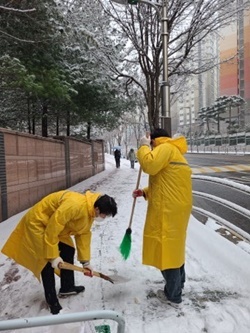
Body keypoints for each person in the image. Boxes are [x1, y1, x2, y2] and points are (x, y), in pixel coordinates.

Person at [1, 190, 117, 315]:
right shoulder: (74, 205)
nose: (104, 218)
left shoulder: (89, 211)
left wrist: (85, 262)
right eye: (105, 215)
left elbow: (83, 234)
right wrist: (53, 256)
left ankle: (67, 287)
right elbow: (52, 228)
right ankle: (52, 301)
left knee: (68, 249)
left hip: (55, 227)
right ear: (98, 209)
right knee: (46, 262)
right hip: (38, 223)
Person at [133, 128, 192, 307]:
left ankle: (173, 295)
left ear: (154, 139)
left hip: (168, 210)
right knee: (174, 248)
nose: (149, 147)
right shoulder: (174, 152)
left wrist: (143, 146)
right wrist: (144, 192)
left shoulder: (165, 148)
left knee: (166, 250)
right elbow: (166, 183)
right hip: (176, 209)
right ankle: (178, 285)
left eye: (150, 142)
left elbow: (149, 166)